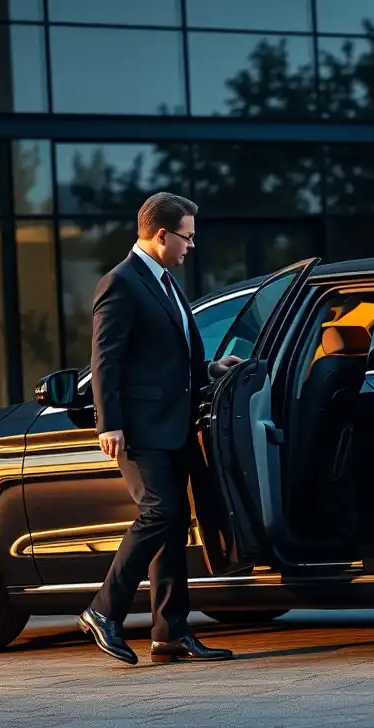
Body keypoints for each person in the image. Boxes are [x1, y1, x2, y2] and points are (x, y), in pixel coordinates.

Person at [77, 192, 243, 665]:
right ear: (162, 234)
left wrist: (210, 369)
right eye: (187, 237)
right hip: (138, 430)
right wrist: (109, 424)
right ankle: (103, 610)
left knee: (172, 524)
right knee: (160, 512)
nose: (192, 246)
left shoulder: (167, 283)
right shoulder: (121, 284)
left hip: (173, 426)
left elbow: (167, 355)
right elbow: (106, 359)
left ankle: (170, 633)